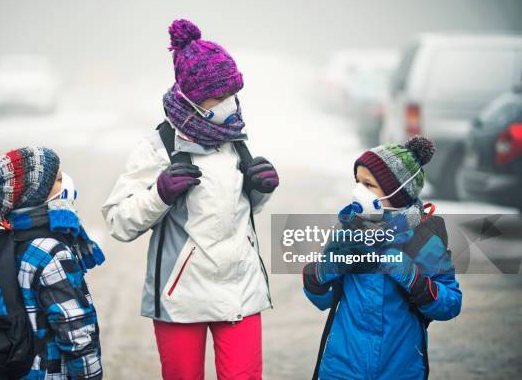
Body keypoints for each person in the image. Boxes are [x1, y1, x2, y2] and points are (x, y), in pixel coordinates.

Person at [102, 19, 279, 380]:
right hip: (179, 297)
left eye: (233, 93)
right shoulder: (158, 147)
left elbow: (239, 209)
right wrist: (160, 195)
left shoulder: (236, 138)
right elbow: (118, 221)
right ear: (194, 99)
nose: (230, 104)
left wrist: (260, 189)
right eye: (220, 97)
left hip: (240, 293)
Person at [302, 136, 462, 380]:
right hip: (342, 368)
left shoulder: (423, 238)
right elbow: (322, 299)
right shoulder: (347, 230)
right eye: (357, 181)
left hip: (399, 369)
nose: (358, 191)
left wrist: (416, 281)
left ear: (397, 192)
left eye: (368, 184)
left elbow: (451, 303)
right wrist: (324, 272)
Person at [0, 147, 103, 379]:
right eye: (57, 179)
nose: (66, 182)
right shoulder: (51, 252)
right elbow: (76, 334)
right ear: (35, 195)